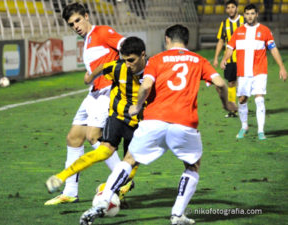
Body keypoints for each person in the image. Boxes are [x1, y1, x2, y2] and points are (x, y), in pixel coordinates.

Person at [78, 24, 234, 225]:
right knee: (192, 166)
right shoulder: (198, 60)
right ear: (186, 40)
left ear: (167, 39)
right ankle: (177, 215)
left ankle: (103, 200)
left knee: (129, 160)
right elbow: (221, 84)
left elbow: (146, 85)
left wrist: (137, 106)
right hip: (185, 122)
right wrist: (227, 104)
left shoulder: (157, 59)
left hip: (154, 120)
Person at [45, 37, 147, 200]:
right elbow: (102, 67)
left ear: (143, 55)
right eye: (125, 60)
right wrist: (90, 77)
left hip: (140, 125)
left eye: (131, 60)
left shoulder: (154, 71)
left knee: (130, 167)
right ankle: (61, 177)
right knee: (103, 151)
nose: (128, 65)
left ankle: (109, 189)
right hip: (118, 118)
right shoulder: (117, 67)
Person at [44, 2, 126, 205]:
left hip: (108, 92)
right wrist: (91, 75)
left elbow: (128, 46)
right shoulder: (88, 40)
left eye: (78, 20)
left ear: (87, 16)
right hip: (94, 93)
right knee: (73, 138)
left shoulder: (103, 32)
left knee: (93, 136)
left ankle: (122, 180)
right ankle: (70, 192)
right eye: (72, 24)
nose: (76, 26)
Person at [220, 4, 287, 140]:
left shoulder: (264, 31)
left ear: (257, 14)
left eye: (252, 13)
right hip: (243, 72)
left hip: (259, 71)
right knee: (242, 100)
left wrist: (282, 67)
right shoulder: (238, 32)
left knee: (259, 99)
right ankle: (244, 126)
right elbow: (230, 47)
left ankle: (261, 131)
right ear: (244, 15)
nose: (250, 16)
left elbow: (273, 49)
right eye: (247, 14)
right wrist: (224, 59)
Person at [213, 0, 244, 118]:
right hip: (230, 59)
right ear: (226, 10)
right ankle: (233, 109)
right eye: (228, 8)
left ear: (237, 8)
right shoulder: (224, 23)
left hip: (243, 58)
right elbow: (221, 41)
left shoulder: (244, 21)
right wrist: (216, 57)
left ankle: (242, 106)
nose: (230, 9)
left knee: (243, 83)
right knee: (231, 83)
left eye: (233, 7)